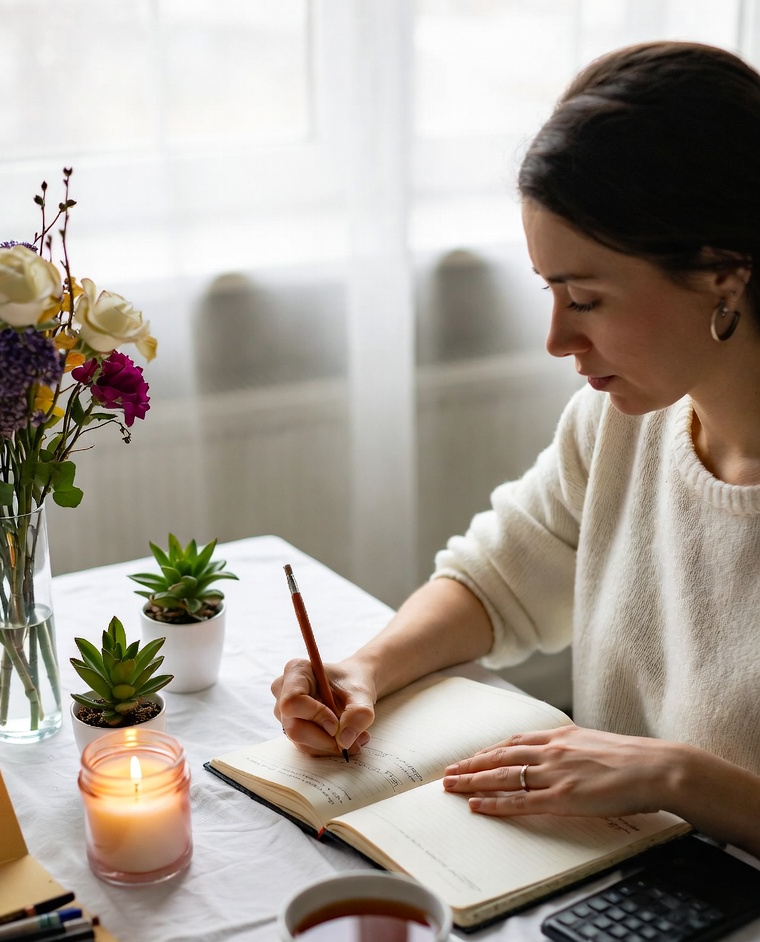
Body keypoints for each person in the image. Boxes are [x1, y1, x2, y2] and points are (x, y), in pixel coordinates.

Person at [272, 41, 760, 859]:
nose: (557, 338)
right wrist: (366, 669)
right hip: (636, 886)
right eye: (550, 291)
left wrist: (680, 778)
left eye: (586, 298)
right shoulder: (620, 421)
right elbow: (495, 583)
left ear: (722, 273)